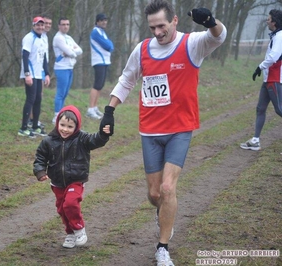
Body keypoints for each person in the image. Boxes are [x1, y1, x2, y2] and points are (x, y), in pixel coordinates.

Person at [98, 1, 226, 265]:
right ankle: (164, 215)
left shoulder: (192, 44)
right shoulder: (142, 49)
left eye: (162, 26)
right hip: (150, 131)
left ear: (175, 21)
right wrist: (109, 111)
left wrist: (211, 21)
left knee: (168, 188)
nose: (157, 32)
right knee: (154, 194)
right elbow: (127, 79)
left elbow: (220, 36)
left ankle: (162, 247)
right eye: (152, 27)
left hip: (180, 129)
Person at [33, 105, 110, 248]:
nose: (65, 129)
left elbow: (96, 140)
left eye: (70, 126)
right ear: (57, 123)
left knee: (70, 203)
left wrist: (103, 134)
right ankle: (70, 233)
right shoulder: (48, 141)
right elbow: (40, 158)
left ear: (77, 126)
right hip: (57, 182)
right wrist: (40, 171)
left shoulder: (82, 139)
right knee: (62, 209)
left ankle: (79, 229)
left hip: (76, 180)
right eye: (62, 125)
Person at [240, 9, 282, 151]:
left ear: (274, 22)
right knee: (260, 108)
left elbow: (274, 56)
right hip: (268, 78)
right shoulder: (275, 35)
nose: (267, 21)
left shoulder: (280, 36)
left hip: (275, 78)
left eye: (269, 19)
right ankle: (255, 140)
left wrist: (259, 67)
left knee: (280, 109)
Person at [19, 16, 51, 138]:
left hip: (39, 74)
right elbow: (25, 56)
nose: (40, 27)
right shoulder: (29, 38)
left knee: (38, 100)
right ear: (33, 26)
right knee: (30, 99)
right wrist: (27, 74)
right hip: (30, 74)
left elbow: (44, 58)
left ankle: (35, 126)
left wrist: (47, 74)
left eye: (42, 25)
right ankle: (23, 128)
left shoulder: (42, 38)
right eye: (38, 25)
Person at [51, 18, 83, 124]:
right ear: (59, 26)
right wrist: (70, 50)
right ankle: (56, 116)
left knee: (65, 93)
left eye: (67, 24)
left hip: (69, 67)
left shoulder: (68, 37)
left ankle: (60, 113)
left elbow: (80, 50)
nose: (66, 26)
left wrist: (70, 51)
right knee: (60, 93)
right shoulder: (58, 38)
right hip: (61, 68)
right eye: (63, 24)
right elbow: (72, 53)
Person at [86, 13, 114, 119]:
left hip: (105, 61)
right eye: (102, 20)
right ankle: (90, 109)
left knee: (100, 85)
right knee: (97, 85)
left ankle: (94, 107)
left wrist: (110, 45)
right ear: (97, 21)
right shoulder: (95, 32)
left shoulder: (102, 32)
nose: (104, 22)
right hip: (99, 61)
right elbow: (108, 45)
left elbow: (110, 45)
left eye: (105, 20)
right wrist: (109, 45)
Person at [28, 15, 53, 129]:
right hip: (36, 69)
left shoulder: (45, 37)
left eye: (49, 24)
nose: (47, 26)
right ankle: (32, 120)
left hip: (43, 68)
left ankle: (35, 119)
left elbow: (45, 55)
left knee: (39, 95)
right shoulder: (35, 36)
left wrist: (47, 72)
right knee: (35, 96)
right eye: (45, 23)